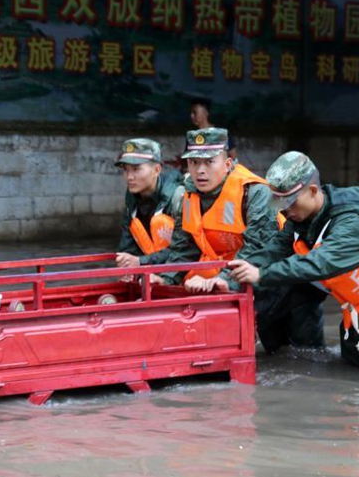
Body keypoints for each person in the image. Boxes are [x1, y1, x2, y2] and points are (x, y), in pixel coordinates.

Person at [228, 151, 359, 369]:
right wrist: (227, 278)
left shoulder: (352, 222)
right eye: (280, 203)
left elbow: (321, 262)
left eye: (290, 202)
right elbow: (270, 250)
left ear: (313, 191)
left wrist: (261, 275)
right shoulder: (300, 223)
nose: (285, 210)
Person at [157, 128, 325, 353]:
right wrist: (164, 280)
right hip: (247, 285)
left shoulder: (254, 193)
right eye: (194, 163)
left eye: (209, 162)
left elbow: (260, 248)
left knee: (308, 357)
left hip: (287, 286)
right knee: (274, 354)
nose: (200, 170)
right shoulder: (188, 196)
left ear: (227, 164)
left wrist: (224, 279)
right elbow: (182, 249)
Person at [114, 138, 184, 270]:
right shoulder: (132, 202)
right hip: (152, 272)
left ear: (157, 170)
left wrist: (141, 261)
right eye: (125, 169)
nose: (129, 177)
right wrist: (126, 266)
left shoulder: (177, 198)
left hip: (181, 275)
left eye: (136, 169)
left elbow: (184, 250)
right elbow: (127, 249)